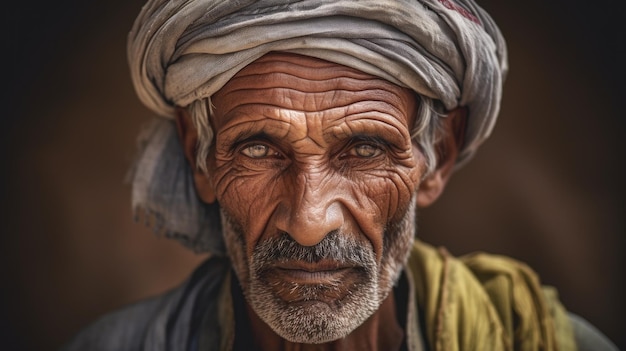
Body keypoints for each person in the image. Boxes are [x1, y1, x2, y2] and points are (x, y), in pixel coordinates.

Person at [62, 0, 618, 350]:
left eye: (365, 149)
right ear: (199, 154)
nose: (308, 222)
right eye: (258, 149)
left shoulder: (539, 341)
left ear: (438, 157)